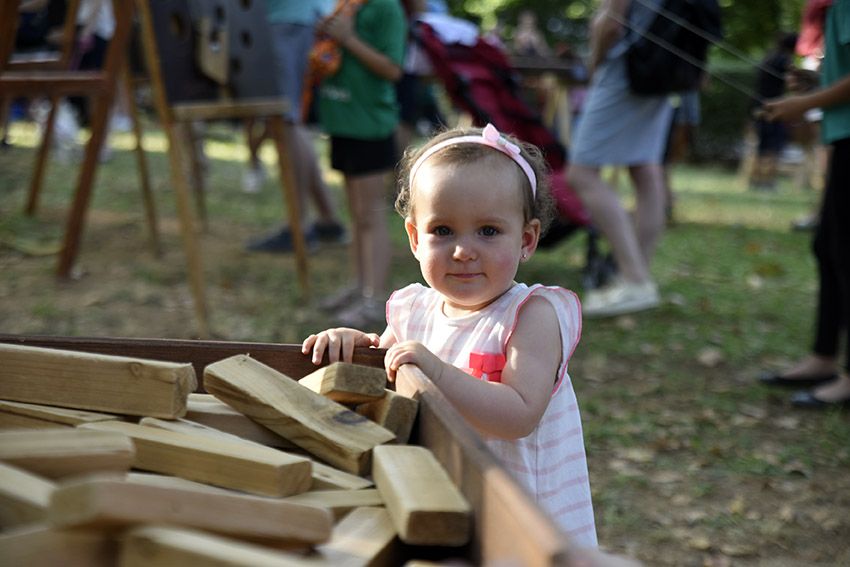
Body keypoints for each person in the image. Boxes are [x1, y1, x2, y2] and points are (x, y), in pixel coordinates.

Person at [303, 123, 598, 547]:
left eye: (489, 231)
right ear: (414, 237)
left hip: (521, 513)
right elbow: (394, 370)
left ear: (527, 240)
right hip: (442, 497)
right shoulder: (413, 309)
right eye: (442, 231)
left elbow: (518, 415)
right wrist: (355, 347)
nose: (463, 251)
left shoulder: (532, 315)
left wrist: (436, 372)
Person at [759, 0, 850, 408]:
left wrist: (805, 104)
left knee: (845, 253)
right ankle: (823, 356)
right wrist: (816, 81)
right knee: (828, 247)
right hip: (842, 135)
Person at [567, 0, 673, 317]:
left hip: (624, 70)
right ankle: (636, 277)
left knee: (581, 173)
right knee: (645, 167)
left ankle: (634, 279)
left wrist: (594, 64)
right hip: (660, 70)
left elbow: (610, 22)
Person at [312, 0, 407, 327]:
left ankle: (374, 298)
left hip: (369, 125)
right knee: (356, 215)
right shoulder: (345, 5)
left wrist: (348, 38)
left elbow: (393, 69)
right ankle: (359, 285)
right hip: (342, 122)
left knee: (371, 216)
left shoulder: (386, 8)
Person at [245, 0, 348, 252]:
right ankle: (327, 220)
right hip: (303, 15)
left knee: (286, 120)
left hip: (288, 18)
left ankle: (299, 228)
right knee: (290, 119)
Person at [749, 32, 799, 191]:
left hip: (759, 104)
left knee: (762, 145)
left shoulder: (769, 57)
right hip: (775, 107)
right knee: (774, 146)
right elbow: (792, 83)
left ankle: (755, 180)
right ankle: (769, 181)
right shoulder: (785, 61)